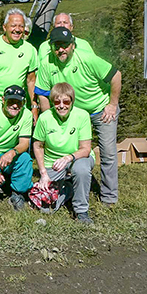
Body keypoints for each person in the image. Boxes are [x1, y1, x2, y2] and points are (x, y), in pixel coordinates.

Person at [36, 27, 121, 207]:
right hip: (69, 112)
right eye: (57, 46)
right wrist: (47, 117)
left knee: (108, 152)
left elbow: (115, 75)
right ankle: (70, 185)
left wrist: (112, 105)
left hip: (99, 109)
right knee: (69, 150)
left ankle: (109, 196)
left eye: (65, 45)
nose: (61, 50)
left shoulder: (87, 58)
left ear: (73, 45)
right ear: (51, 47)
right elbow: (43, 93)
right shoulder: (46, 63)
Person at [33, 82, 95, 224]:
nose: (62, 106)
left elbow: (85, 149)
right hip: (53, 162)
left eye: (66, 101)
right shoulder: (45, 118)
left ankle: (81, 211)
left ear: (72, 101)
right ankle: (67, 190)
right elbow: (38, 146)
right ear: (52, 102)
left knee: (81, 169)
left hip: (77, 157)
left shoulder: (82, 116)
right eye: (57, 101)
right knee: (44, 206)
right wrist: (43, 173)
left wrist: (68, 158)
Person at [0, 8, 38, 118]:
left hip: (18, 103)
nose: (17, 30)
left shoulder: (30, 49)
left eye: (21, 26)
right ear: (4, 27)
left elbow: (31, 81)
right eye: (13, 26)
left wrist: (34, 106)